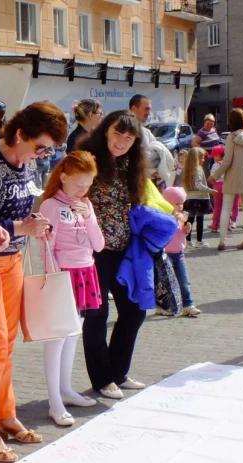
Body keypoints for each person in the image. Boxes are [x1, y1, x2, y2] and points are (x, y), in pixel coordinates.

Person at [0, 101, 67, 462]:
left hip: (12, 261)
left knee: (5, 344)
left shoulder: (26, 161)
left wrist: (35, 221)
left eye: (49, 151)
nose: (41, 156)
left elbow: (20, 205)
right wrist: (17, 227)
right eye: (40, 147)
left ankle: (4, 413)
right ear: (20, 134)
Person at [78, 110, 161, 400]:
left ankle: (118, 372)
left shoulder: (133, 164)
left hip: (127, 250)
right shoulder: (87, 158)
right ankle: (102, 379)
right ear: (105, 130)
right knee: (97, 314)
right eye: (117, 133)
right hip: (93, 251)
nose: (122, 141)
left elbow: (149, 200)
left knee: (134, 310)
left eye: (129, 137)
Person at [38, 150, 103, 427]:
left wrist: (86, 216)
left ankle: (66, 389)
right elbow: (46, 249)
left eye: (88, 184)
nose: (83, 190)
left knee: (74, 334)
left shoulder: (85, 204)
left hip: (86, 271)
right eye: (78, 184)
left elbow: (99, 244)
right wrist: (55, 285)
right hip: (63, 275)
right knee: (57, 338)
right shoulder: (50, 205)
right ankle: (55, 401)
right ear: (63, 177)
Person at [208, 108, 243, 251]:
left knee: (226, 208)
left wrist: (215, 175)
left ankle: (222, 240)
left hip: (233, 177)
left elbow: (227, 161)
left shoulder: (231, 137)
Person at [161, 187, 201, 317]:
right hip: (166, 255)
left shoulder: (181, 217)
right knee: (166, 283)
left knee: (184, 281)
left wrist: (186, 229)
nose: (180, 206)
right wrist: (173, 218)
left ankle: (188, 305)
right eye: (176, 203)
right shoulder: (164, 217)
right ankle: (163, 306)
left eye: (181, 203)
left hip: (179, 253)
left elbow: (180, 234)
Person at [183, 147, 216, 248]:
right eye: (202, 158)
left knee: (190, 219)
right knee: (200, 219)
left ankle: (188, 240)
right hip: (199, 198)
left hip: (190, 197)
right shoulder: (198, 169)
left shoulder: (188, 168)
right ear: (197, 158)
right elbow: (198, 184)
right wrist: (210, 191)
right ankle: (199, 241)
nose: (204, 160)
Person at [208, 145, 239, 233]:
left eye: (214, 156)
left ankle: (215, 224)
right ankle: (232, 222)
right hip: (231, 185)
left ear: (218, 155)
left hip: (218, 186)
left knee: (218, 206)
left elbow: (212, 177)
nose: (214, 158)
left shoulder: (215, 165)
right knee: (233, 205)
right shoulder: (231, 163)